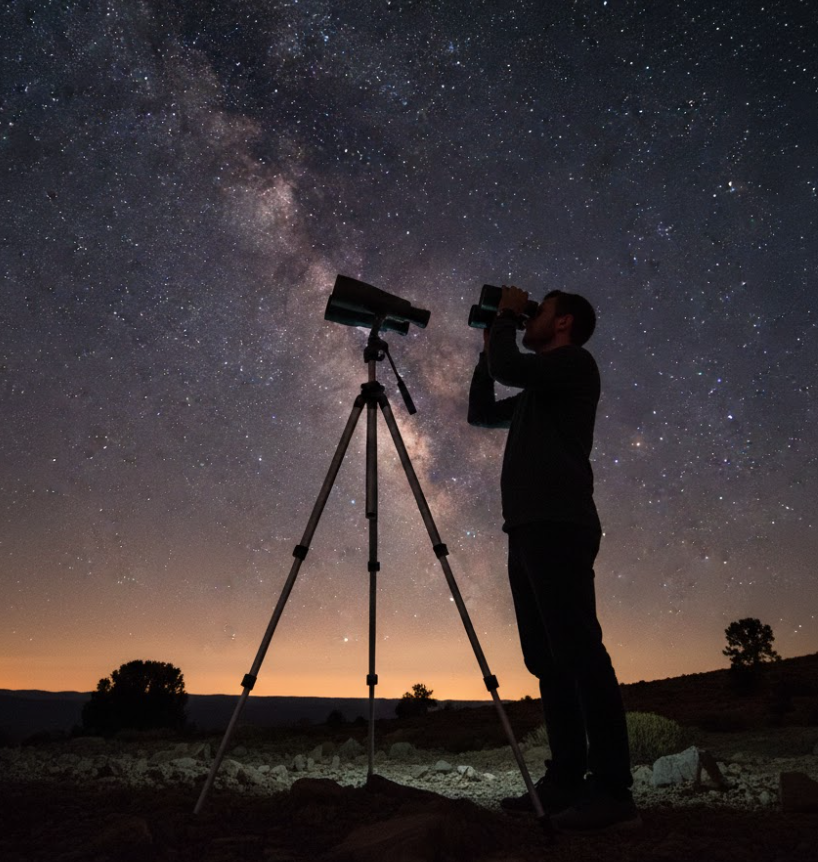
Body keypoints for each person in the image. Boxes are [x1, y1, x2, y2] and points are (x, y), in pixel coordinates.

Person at [467, 285, 640, 833]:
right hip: (526, 528)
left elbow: (511, 364)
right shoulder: (541, 389)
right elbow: (480, 413)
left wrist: (505, 316)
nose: (527, 319)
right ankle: (566, 778)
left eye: (537, 312)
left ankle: (613, 791)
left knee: (581, 652)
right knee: (547, 659)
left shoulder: (574, 365)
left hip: (559, 524)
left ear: (563, 323)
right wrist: (485, 348)